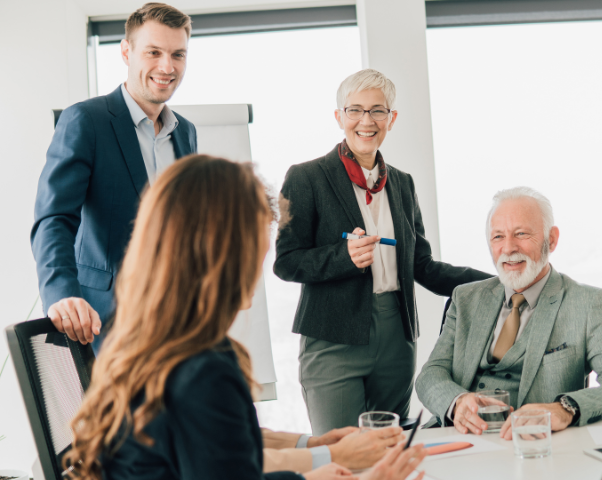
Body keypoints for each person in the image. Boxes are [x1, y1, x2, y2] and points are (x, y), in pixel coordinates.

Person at [63, 155, 427, 480]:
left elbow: (226, 449)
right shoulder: (204, 370)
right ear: (221, 252)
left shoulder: (143, 344)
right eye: (257, 245)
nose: (262, 264)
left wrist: (314, 446)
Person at [274, 69, 493, 434]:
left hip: (397, 336)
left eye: (377, 111)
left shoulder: (403, 184)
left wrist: (495, 284)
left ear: (391, 119)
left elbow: (422, 266)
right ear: (339, 117)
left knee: (391, 450)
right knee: (342, 454)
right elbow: (286, 261)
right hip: (334, 337)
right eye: (355, 110)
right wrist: (342, 257)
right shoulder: (306, 177)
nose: (366, 121)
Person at [31, 3, 197, 351]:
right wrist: (61, 295)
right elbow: (54, 218)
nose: (167, 67)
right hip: (105, 325)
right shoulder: (86, 121)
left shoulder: (186, 133)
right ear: (127, 52)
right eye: (154, 52)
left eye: (177, 54)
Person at [415, 186, 602, 437]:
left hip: (532, 448)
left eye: (521, 234)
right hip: (455, 440)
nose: (509, 248)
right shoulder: (466, 298)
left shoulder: (588, 303)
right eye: (498, 237)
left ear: (552, 239)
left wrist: (564, 409)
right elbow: (430, 374)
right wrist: (457, 401)